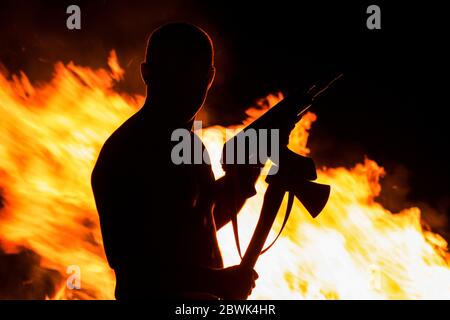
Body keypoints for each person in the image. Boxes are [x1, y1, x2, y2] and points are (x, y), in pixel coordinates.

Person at [91, 22, 262, 300]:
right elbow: (133, 263)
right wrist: (217, 282)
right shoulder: (126, 152)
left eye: (194, 75)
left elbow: (203, 220)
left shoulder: (190, 144)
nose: (183, 85)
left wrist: (244, 177)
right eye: (174, 74)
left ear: (209, 77)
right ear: (148, 73)